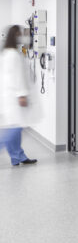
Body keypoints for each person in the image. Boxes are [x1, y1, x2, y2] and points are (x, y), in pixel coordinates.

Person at [0, 25, 37, 166]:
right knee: (15, 129)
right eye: (21, 34)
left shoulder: (6, 53)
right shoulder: (13, 55)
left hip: (8, 97)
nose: (23, 36)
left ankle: (17, 157)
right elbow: (17, 77)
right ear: (15, 35)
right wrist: (22, 95)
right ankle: (17, 156)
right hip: (14, 98)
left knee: (14, 127)